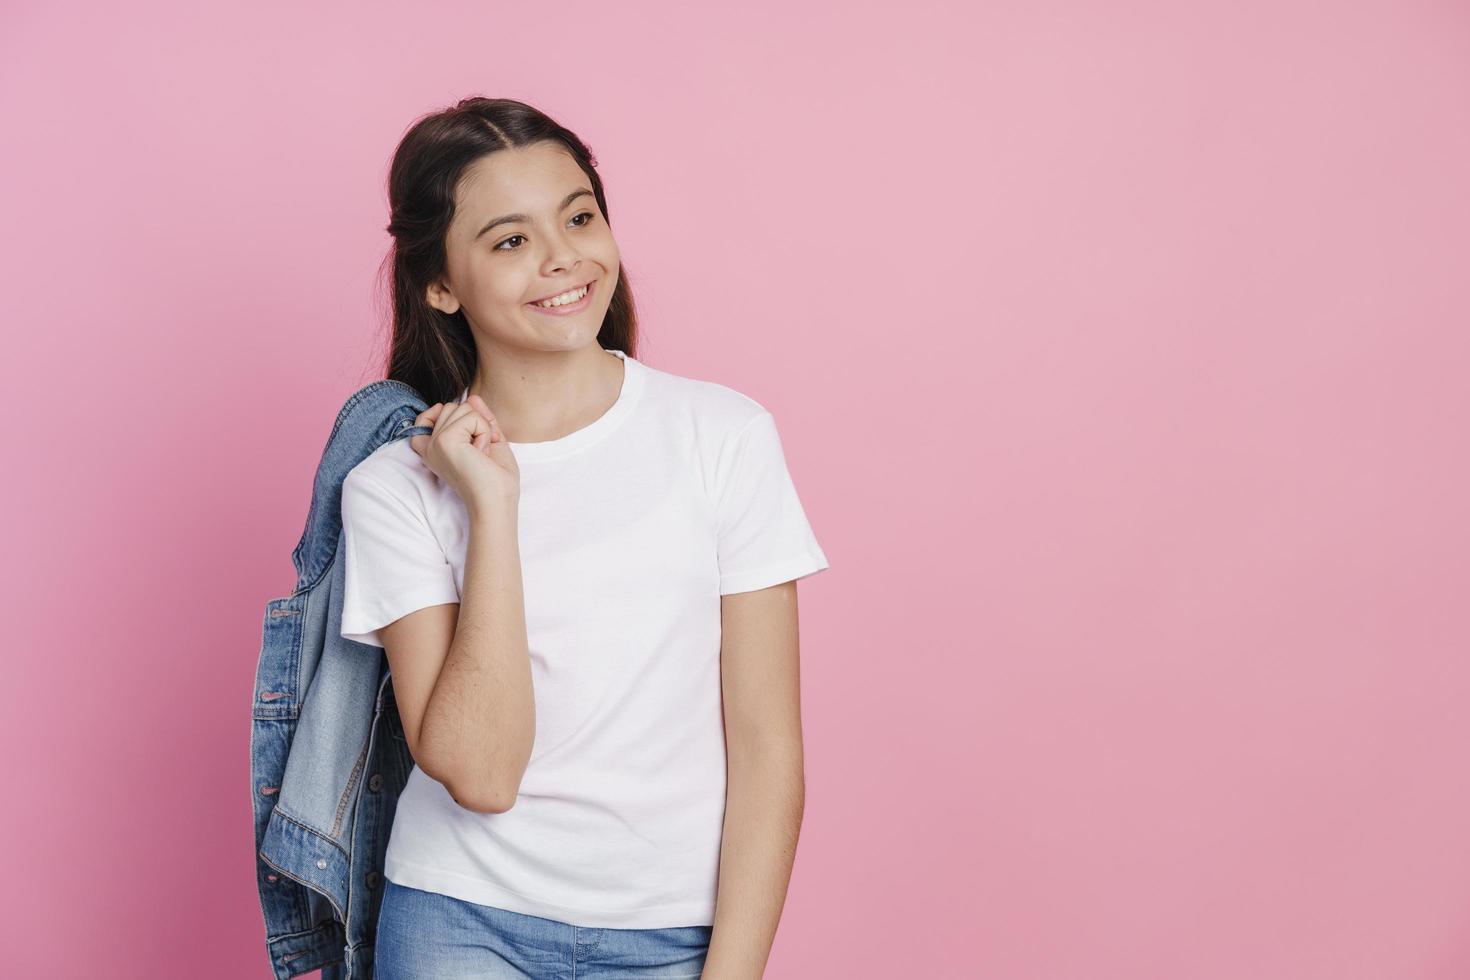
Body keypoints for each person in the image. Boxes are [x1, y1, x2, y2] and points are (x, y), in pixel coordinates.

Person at [338, 97, 830, 979]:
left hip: (674, 937)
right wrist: (492, 510)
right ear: (440, 285)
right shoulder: (394, 490)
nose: (564, 257)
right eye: (510, 239)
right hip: (461, 924)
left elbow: (768, 749)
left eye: (578, 216)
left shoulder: (722, 437)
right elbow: (481, 775)